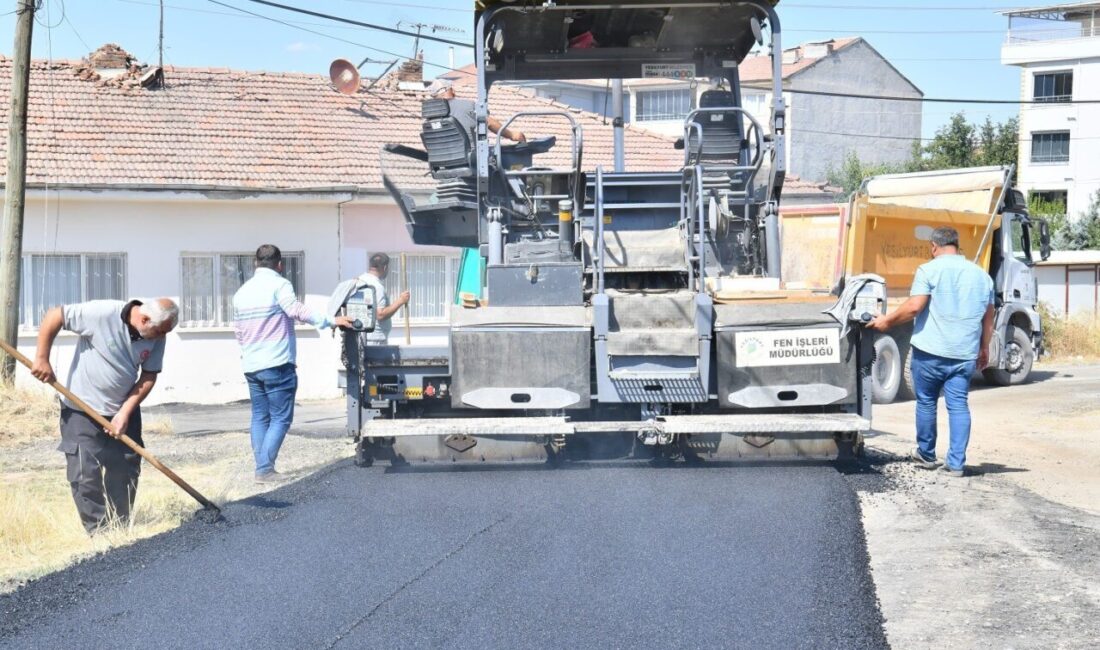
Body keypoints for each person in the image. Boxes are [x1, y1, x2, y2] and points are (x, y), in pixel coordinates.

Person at [30, 298, 179, 534]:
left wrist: (124, 412)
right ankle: (98, 533)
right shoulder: (102, 313)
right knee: (84, 471)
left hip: (123, 411)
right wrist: (41, 358)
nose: (162, 337)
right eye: (160, 332)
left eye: (166, 333)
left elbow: (149, 376)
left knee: (125, 470)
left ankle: (119, 528)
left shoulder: (158, 334)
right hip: (81, 408)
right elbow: (55, 315)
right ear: (144, 319)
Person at [866, 226, 995, 477]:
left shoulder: (928, 270)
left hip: (930, 352)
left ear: (933, 247)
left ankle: (926, 454)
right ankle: (956, 463)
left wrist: (886, 322)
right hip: (964, 354)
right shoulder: (982, 277)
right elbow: (988, 318)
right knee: (958, 405)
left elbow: (914, 307)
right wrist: (984, 347)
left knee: (926, 402)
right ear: (956, 246)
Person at [232, 245, 352, 483]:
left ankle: (262, 465)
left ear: (256, 264)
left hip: (251, 363)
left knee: (259, 416)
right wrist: (331, 321)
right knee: (280, 417)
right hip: (277, 362)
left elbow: (239, 331)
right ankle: (264, 469)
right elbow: (295, 309)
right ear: (279, 265)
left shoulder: (241, 292)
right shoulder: (280, 284)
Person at [428, 80, 527, 143]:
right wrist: (512, 135)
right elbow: (489, 122)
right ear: (452, 90)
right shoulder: (467, 106)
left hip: (443, 163)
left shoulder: (430, 117)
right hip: (470, 159)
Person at [356, 253, 411, 345]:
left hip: (361, 336)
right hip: (375, 339)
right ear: (385, 268)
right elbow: (380, 314)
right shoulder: (376, 286)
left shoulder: (360, 280)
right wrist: (400, 301)